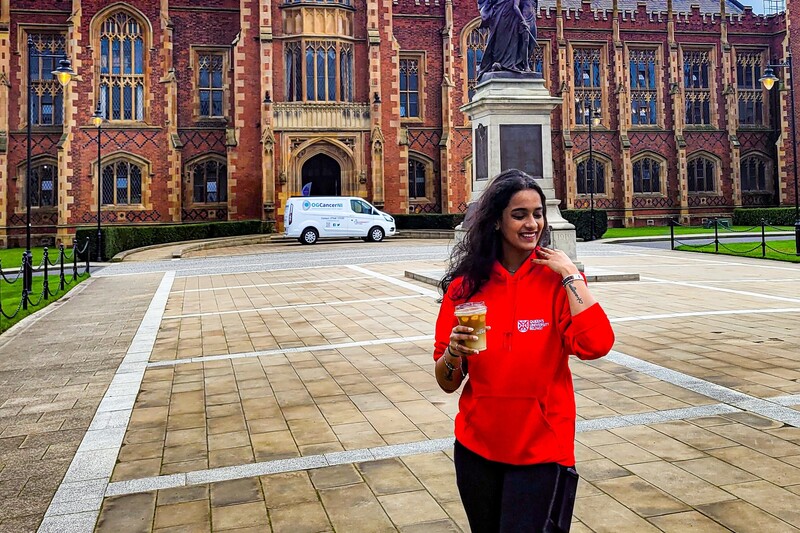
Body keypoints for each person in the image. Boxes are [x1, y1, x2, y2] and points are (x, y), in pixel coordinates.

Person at [433, 169, 614, 532]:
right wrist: (453, 352)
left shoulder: (555, 283)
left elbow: (597, 345)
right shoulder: (466, 288)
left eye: (538, 213)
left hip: (543, 451)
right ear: (497, 221)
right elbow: (448, 383)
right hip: (477, 449)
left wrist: (570, 276)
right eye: (520, 215)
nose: (532, 224)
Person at [477, 0, 539, 80]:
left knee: (515, 38)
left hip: (514, 16)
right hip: (502, 12)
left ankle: (515, 63)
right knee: (501, 38)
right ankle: (500, 62)